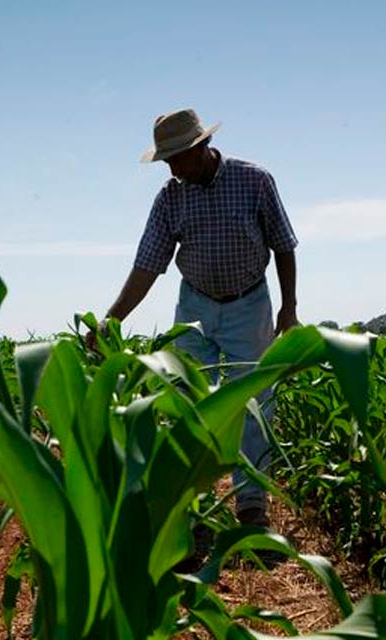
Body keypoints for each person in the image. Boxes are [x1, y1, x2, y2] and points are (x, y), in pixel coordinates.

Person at [88, 108, 299, 528]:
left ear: (201, 147)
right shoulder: (170, 197)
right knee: (185, 398)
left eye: (176, 157)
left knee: (255, 402)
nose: (170, 167)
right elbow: (147, 265)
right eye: (165, 159)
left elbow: (284, 244)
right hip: (195, 308)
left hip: (249, 303)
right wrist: (111, 320)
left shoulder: (254, 181)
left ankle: (251, 503)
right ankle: (187, 501)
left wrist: (288, 306)